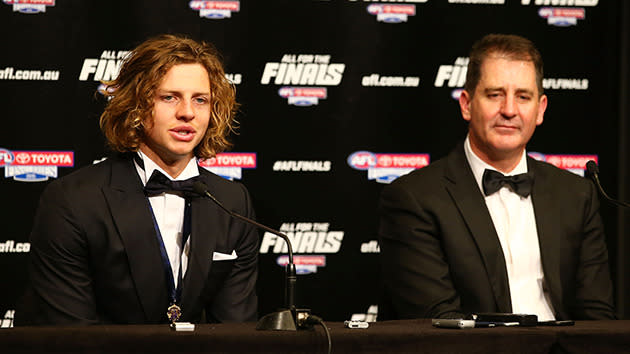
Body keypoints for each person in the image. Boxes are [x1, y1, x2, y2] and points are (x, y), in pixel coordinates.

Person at [16, 34, 258, 325]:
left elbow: (236, 333)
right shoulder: (73, 200)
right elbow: (72, 336)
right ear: (137, 105)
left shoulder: (232, 202)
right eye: (169, 97)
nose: (187, 113)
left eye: (200, 100)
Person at [378, 34, 615, 321]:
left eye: (523, 97)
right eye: (494, 94)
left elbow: (597, 319)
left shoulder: (577, 195)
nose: (509, 110)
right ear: (466, 104)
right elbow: (438, 325)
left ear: (540, 110)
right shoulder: (414, 198)